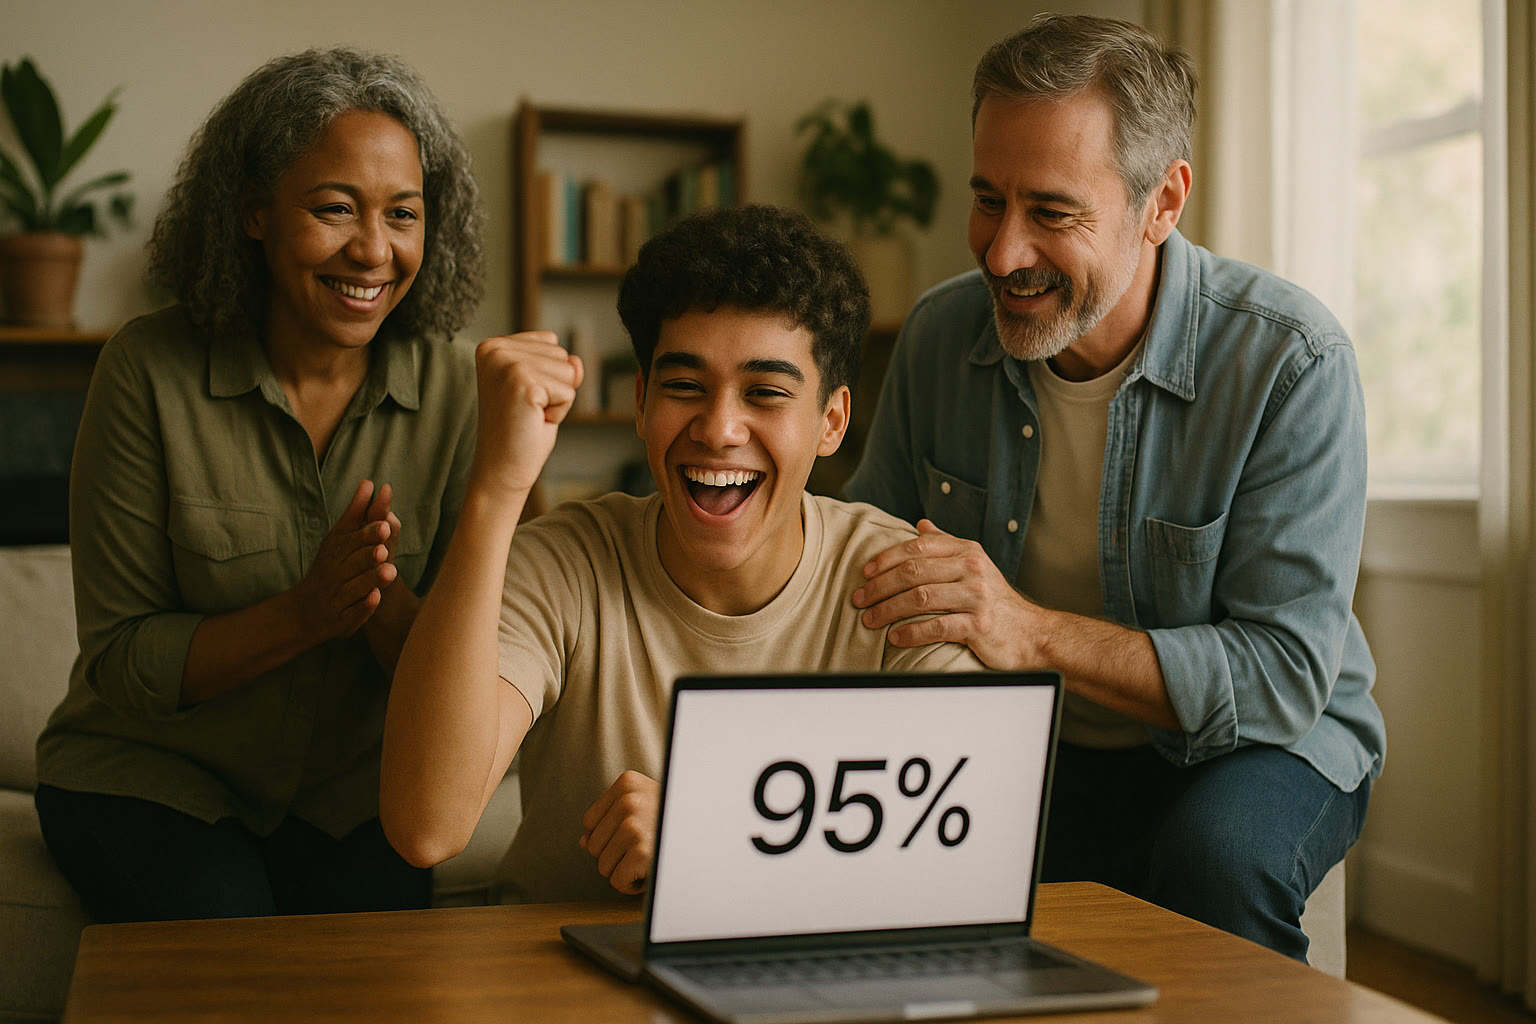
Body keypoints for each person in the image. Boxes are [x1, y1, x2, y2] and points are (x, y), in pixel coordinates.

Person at [845, 15, 1386, 962]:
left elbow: (1283, 676)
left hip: (1262, 744)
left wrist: (1028, 630)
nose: (1003, 252)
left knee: (1213, 859)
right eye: (987, 199)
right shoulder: (938, 337)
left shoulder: (1292, 363)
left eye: (1051, 212)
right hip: (1040, 737)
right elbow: (864, 571)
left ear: (1162, 201)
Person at [380, 204, 981, 903]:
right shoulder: (563, 564)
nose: (719, 428)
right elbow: (426, 827)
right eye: (684, 387)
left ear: (832, 421)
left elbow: (957, 867)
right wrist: (496, 487)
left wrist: (714, 836)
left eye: (765, 393)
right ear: (640, 402)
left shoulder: (906, 581)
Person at [33, 46, 484, 922]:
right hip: (153, 780)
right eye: (333, 209)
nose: (374, 250)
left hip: (356, 803)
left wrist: (384, 609)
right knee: (227, 947)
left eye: (404, 215)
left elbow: (480, 676)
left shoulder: (464, 391)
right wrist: (306, 615)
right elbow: (123, 660)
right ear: (252, 212)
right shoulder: (147, 368)